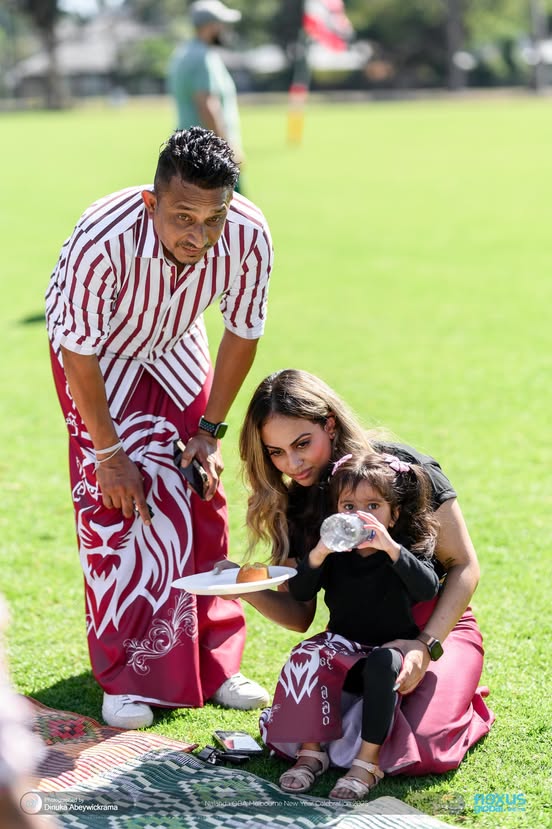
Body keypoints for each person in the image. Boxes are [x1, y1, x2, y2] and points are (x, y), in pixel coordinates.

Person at [44, 127, 273, 729]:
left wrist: (210, 431)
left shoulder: (248, 233)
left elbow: (242, 332)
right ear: (152, 204)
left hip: (175, 341)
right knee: (114, 502)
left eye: (212, 218)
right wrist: (109, 452)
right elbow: (78, 353)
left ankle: (217, 662)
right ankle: (125, 672)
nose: (198, 236)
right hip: (96, 353)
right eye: (182, 217)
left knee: (202, 490)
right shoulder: (104, 237)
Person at [234, 369, 494, 780]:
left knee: (418, 748)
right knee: (298, 736)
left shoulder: (400, 470)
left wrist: (426, 646)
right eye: (276, 452)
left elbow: (464, 566)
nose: (293, 463)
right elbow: (300, 614)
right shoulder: (295, 504)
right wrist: (240, 587)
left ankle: (458, 693)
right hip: (354, 637)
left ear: (329, 425)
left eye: (303, 444)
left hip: (433, 627)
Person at [271, 452, 440, 799]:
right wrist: (318, 553)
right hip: (344, 645)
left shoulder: (403, 550)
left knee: (383, 663)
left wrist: (391, 549)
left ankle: (367, 762)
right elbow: (300, 590)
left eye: (374, 506)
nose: (360, 515)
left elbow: (427, 589)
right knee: (307, 653)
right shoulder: (336, 553)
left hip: (391, 647)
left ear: (393, 515)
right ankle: (310, 752)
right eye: (348, 507)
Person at [168, 0, 245, 192]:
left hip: (191, 152)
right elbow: (207, 105)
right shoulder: (202, 58)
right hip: (211, 156)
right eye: (221, 24)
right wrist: (226, 150)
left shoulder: (183, 54)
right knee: (235, 217)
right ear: (211, 26)